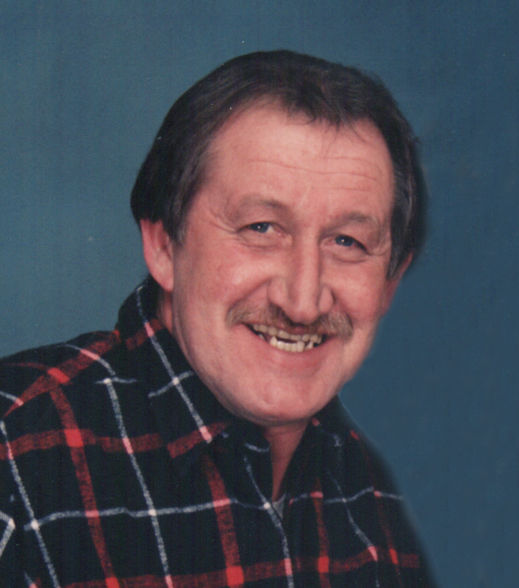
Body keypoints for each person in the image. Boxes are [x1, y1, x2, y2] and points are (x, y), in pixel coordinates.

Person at [0, 50, 434, 586]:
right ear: (163, 244)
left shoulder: (385, 498)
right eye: (260, 228)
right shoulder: (15, 456)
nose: (302, 303)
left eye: (347, 242)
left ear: (391, 281)